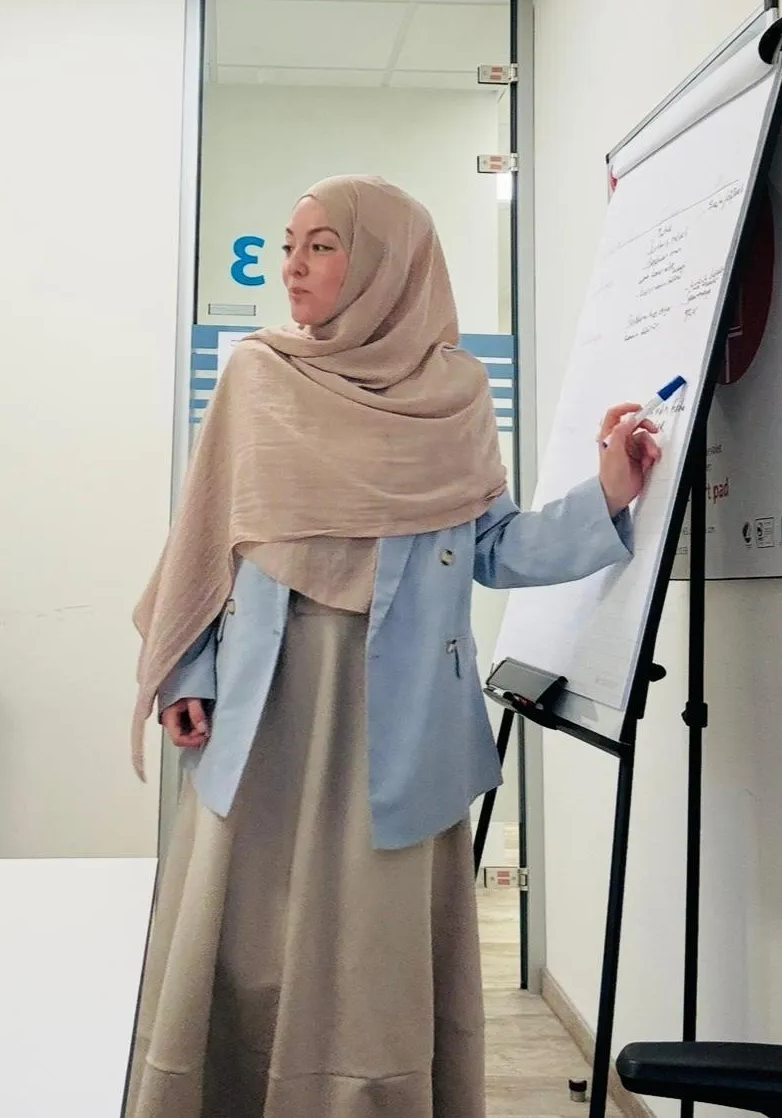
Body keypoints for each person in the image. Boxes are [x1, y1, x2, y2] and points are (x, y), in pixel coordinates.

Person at [127, 175, 659, 1118]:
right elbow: (209, 536)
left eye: (323, 245)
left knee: (369, 960)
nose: (293, 265)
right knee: (247, 947)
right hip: (267, 705)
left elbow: (493, 546)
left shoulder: (453, 395)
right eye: (289, 242)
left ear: (387, 264)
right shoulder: (259, 374)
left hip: (400, 717)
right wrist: (189, 668)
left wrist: (606, 493)